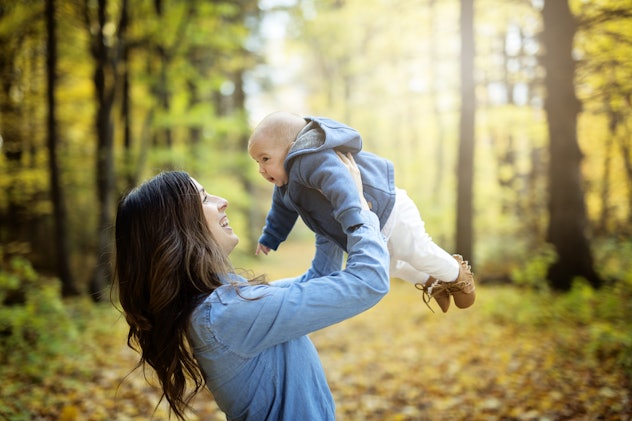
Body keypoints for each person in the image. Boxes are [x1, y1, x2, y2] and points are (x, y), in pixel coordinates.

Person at [113, 153, 390, 420]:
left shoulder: (226, 303)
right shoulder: (224, 314)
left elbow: (320, 279)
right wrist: (353, 204)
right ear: (177, 229)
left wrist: (322, 205)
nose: (223, 202)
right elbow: (368, 281)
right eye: (205, 199)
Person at [248, 111, 476, 313]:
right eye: (257, 162)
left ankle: (457, 274)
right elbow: (281, 211)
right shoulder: (284, 183)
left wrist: (353, 218)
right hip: (360, 223)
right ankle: (431, 280)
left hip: (388, 210)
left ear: (291, 147)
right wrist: (271, 236)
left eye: (266, 159)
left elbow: (339, 182)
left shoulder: (310, 158)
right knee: (387, 266)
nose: (261, 169)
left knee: (415, 250)